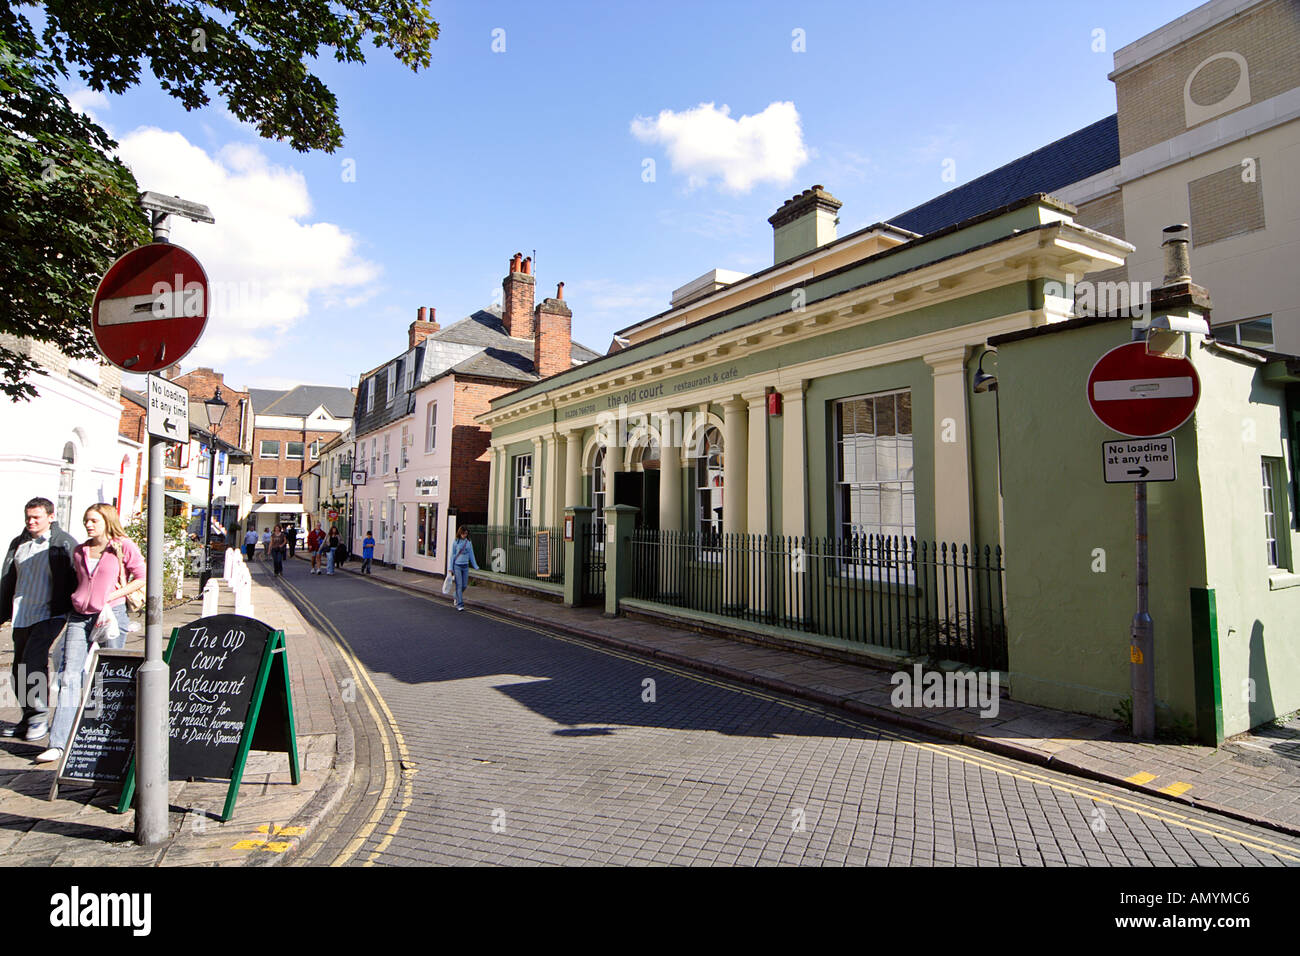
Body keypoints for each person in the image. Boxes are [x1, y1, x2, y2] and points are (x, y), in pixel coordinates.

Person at [39, 503, 145, 764]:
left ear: (107, 521)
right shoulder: (80, 550)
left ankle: (106, 738)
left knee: (110, 676)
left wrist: (113, 595)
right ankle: (58, 743)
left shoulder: (122, 546)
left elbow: (142, 577)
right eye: (86, 520)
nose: (88, 525)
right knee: (69, 675)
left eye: (94, 520)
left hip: (111, 615)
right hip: (79, 616)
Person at [0, 497, 78, 742]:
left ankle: (39, 717)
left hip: (50, 613)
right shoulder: (19, 543)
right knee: (19, 669)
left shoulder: (62, 543)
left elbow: (76, 575)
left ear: (51, 517)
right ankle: (28, 717)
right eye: (28, 517)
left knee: (33, 661)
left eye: (36, 517)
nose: (31, 521)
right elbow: (8, 578)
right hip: (23, 613)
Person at [449, 526, 478, 612]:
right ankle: (460, 604)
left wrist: (475, 565)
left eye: (466, 533)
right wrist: (450, 568)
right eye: (463, 533)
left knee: (464, 585)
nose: (464, 535)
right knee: (459, 585)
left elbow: (471, 554)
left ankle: (456, 595)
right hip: (457, 566)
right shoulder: (456, 542)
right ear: (460, 533)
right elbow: (452, 555)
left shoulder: (468, 542)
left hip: (465, 566)